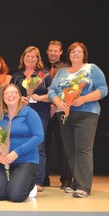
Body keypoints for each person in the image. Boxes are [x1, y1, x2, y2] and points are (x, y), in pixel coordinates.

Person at [48, 42, 108, 198]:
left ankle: (84, 187)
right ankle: (75, 183)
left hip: (86, 114)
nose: (75, 54)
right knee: (71, 151)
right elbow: (52, 91)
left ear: (84, 54)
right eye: (73, 52)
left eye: (79, 52)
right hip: (65, 115)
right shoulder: (61, 72)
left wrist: (84, 99)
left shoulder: (91, 69)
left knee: (83, 150)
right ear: (68, 54)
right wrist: (57, 101)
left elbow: (103, 89)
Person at [0, 84, 44, 202]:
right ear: (3, 97)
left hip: (26, 160)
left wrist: (17, 152)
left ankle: (30, 184)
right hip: (5, 161)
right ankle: (14, 181)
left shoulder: (29, 112)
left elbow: (39, 136)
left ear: (19, 96)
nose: (10, 95)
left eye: (14, 92)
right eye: (7, 93)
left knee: (15, 196)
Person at [10, 46, 52, 192]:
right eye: (27, 56)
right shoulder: (16, 76)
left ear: (38, 59)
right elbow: (10, 95)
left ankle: (38, 181)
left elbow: (52, 95)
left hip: (40, 112)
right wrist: (20, 99)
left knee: (39, 145)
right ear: (23, 58)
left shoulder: (44, 75)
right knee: (21, 143)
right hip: (20, 113)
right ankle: (20, 177)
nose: (30, 59)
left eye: (33, 56)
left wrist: (39, 97)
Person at [43, 40, 72, 189]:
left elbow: (68, 89)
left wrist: (55, 104)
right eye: (50, 50)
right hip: (44, 112)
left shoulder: (67, 68)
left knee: (64, 146)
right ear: (47, 52)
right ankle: (43, 178)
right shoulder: (41, 68)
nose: (53, 53)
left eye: (56, 51)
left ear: (61, 52)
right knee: (44, 145)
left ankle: (66, 180)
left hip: (61, 111)